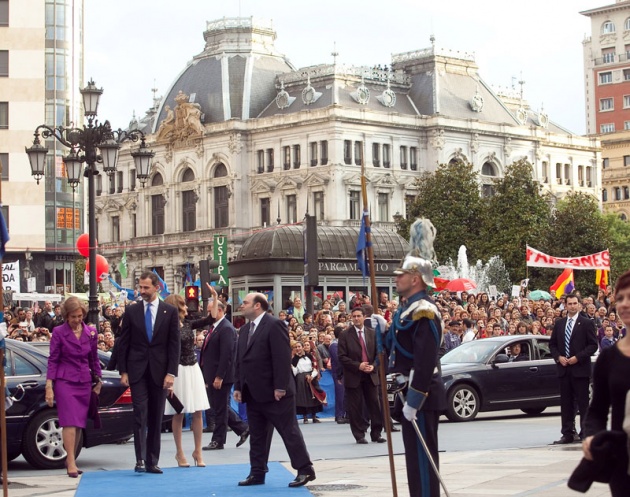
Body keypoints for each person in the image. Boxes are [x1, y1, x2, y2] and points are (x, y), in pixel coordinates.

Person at [386, 218, 446, 497]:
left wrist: (414, 400)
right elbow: (395, 347)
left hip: (419, 395)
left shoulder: (424, 310)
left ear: (415, 279)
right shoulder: (405, 309)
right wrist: (380, 330)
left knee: (423, 460)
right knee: (413, 459)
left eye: (401, 275)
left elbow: (424, 360)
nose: (396, 279)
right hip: (407, 392)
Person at [233, 293, 315, 488]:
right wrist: (238, 386)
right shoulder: (244, 330)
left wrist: (280, 386)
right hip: (252, 392)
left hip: (276, 393)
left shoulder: (274, 325)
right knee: (258, 435)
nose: (241, 305)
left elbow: (281, 357)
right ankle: (257, 472)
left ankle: (305, 469)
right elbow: (240, 361)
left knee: (289, 432)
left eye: (245, 302)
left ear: (257, 306)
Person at [117, 271, 181, 474]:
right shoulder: (132, 311)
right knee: (140, 414)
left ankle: (152, 460)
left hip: (160, 372)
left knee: (155, 416)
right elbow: (123, 342)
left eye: (146, 288)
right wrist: (123, 371)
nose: (141, 291)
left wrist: (171, 373)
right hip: (137, 371)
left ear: (157, 288)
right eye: (140, 287)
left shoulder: (169, 312)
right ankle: (140, 459)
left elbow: (174, 345)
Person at [574, 270, 630, 495]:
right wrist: (591, 436)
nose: (625, 304)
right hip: (623, 465)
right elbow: (596, 411)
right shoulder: (609, 357)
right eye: (620, 298)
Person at [45, 296, 102, 478]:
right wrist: (49, 386)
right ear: (66, 316)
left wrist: (98, 380)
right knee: (69, 421)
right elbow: (53, 360)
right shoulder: (59, 332)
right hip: (65, 382)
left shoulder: (91, 333)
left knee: (78, 424)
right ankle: (70, 461)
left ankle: (72, 458)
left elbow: (93, 359)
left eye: (79, 316)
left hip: (84, 381)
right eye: (73, 317)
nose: (77, 320)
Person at [163, 293, 212, 468]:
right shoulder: (166, 327)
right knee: (179, 412)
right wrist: (169, 377)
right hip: (178, 371)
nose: (185, 307)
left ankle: (197, 451)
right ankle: (179, 452)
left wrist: (213, 297)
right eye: (182, 304)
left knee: (198, 411)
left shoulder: (189, 323)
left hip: (193, 368)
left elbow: (210, 318)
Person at [200, 295, 249, 451]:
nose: (208, 315)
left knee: (220, 408)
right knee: (219, 406)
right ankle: (242, 428)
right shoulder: (215, 327)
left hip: (221, 376)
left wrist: (219, 376)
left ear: (219, 310)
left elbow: (227, 355)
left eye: (210, 311)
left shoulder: (226, 328)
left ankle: (218, 440)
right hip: (213, 374)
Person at [549, 293, 597, 444]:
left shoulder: (586, 323)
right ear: (565, 305)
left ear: (579, 305)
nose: (572, 306)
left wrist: (578, 357)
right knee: (566, 403)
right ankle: (568, 433)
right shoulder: (560, 324)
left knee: (583, 403)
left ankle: (585, 432)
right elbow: (552, 344)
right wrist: (559, 357)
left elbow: (593, 345)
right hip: (564, 369)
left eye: (575, 303)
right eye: (569, 304)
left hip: (580, 369)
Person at [338, 307, 385, 445]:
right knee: (356, 407)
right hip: (354, 375)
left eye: (359, 316)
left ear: (364, 317)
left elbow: (380, 353)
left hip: (371, 374)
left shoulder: (372, 333)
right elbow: (341, 357)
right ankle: (359, 435)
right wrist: (358, 365)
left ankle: (376, 433)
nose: (356, 318)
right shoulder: (345, 335)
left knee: (375, 405)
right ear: (351, 318)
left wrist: (374, 365)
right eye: (354, 316)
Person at [291, 341, 323, 423]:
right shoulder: (294, 359)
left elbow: (315, 367)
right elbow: (295, 372)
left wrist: (312, 376)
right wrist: (291, 367)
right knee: (303, 398)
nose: (298, 348)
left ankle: (314, 417)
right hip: (300, 379)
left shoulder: (310, 356)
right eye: (296, 347)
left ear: (302, 347)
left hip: (311, 377)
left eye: (299, 346)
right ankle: (305, 417)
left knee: (313, 396)